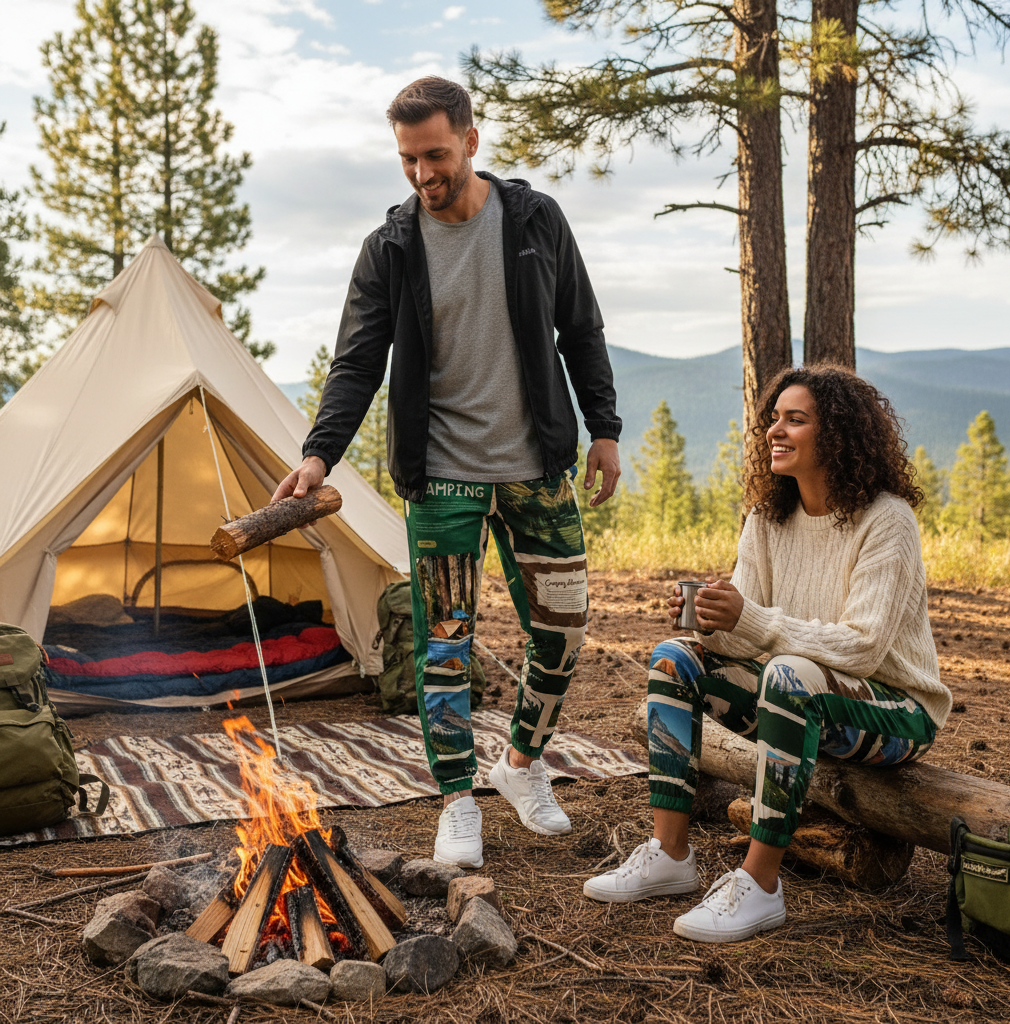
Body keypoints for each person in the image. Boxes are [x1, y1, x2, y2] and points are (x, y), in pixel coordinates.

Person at [272, 77, 621, 870]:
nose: (423, 173)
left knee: (563, 631)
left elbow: (581, 328)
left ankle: (521, 764)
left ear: (470, 139)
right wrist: (318, 453)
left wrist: (603, 428)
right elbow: (356, 363)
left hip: (538, 468)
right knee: (446, 647)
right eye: (407, 159)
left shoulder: (535, 220)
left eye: (434, 154)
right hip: (444, 477)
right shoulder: (390, 248)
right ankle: (458, 797)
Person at [583, 364, 950, 942]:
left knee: (788, 674)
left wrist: (750, 619)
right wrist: (711, 624)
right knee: (675, 658)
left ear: (838, 434)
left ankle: (759, 884)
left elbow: (862, 645)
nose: (775, 431)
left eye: (795, 420)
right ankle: (670, 852)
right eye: (773, 419)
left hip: (896, 711)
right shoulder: (767, 517)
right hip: (800, 696)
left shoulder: (887, 520)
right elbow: (746, 637)